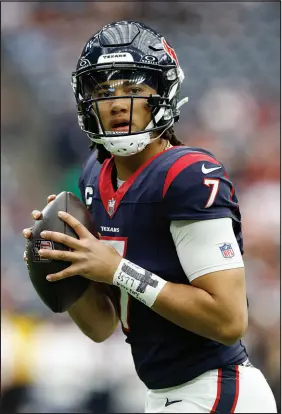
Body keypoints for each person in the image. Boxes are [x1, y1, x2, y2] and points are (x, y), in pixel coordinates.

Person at [23, 21, 277, 413]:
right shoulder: (94, 175)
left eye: (134, 89)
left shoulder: (188, 174)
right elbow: (102, 326)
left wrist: (119, 271)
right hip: (162, 395)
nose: (117, 103)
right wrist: (63, 267)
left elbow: (228, 320)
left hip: (216, 391)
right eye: (104, 91)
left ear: (162, 94)